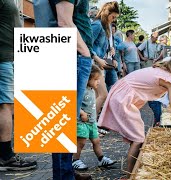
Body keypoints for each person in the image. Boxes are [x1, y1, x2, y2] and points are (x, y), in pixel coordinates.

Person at [97, 49, 171, 176]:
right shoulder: (170, 80)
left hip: (124, 94)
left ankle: (132, 171)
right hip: (123, 98)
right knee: (138, 138)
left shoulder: (167, 71)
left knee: (137, 136)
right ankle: (130, 175)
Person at [49, 0, 96, 178]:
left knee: (65, 123)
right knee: (64, 123)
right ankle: (64, 175)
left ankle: (66, 172)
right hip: (75, 56)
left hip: (75, 56)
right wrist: (84, 52)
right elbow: (64, 21)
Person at [0, 0, 37, 171]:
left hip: (9, 58)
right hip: (3, 59)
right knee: (5, 107)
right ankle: (6, 157)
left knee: (7, 107)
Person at [72, 65, 115, 170]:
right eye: (95, 79)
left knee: (96, 141)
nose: (98, 82)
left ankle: (101, 158)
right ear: (86, 79)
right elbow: (73, 103)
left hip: (91, 122)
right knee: (81, 142)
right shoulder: (80, 90)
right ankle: (75, 160)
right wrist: (81, 113)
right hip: (81, 122)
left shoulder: (91, 89)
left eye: (98, 79)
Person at [91, 2, 120, 116]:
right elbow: (87, 45)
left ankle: (93, 125)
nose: (113, 20)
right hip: (94, 64)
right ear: (107, 13)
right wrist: (98, 59)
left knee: (97, 96)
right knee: (103, 95)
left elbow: (102, 47)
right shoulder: (97, 25)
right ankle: (93, 124)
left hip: (99, 64)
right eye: (113, 17)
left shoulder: (105, 27)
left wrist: (111, 51)